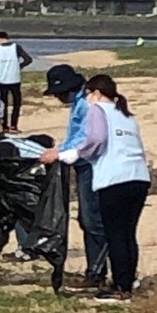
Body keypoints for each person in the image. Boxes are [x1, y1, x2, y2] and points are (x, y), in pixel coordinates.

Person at [41, 74, 151, 303]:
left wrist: (64, 155)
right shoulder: (127, 115)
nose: (87, 98)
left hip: (115, 179)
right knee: (128, 234)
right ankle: (127, 281)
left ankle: (121, 287)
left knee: (116, 234)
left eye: (89, 94)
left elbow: (94, 142)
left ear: (97, 94)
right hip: (139, 178)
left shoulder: (97, 109)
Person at [42, 64, 108, 290]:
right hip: (82, 164)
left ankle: (97, 271)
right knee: (87, 218)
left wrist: (60, 154)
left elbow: (84, 138)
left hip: (91, 164)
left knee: (92, 219)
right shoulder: (79, 103)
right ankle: (95, 269)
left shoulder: (86, 105)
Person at [0, 31, 33, 134]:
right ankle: (14, 126)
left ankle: (5, 126)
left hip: (0, 79)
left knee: (3, 104)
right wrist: (19, 66)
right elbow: (28, 59)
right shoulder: (16, 47)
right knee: (16, 103)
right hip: (14, 78)